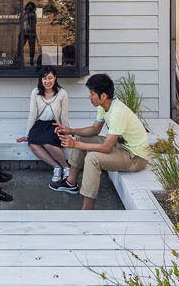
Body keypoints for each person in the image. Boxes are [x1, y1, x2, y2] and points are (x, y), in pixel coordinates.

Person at [55, 72, 151, 209]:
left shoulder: (117, 112)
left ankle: (87, 209)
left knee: (92, 158)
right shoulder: (104, 106)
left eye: (92, 94)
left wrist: (75, 144)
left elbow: (106, 147)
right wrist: (71, 131)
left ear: (103, 95)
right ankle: (70, 183)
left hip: (135, 157)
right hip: (120, 147)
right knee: (82, 137)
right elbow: (95, 129)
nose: (89, 97)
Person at [16, 66, 70, 186]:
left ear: (55, 78)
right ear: (41, 79)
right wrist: (27, 134)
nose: (47, 81)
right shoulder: (35, 92)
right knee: (33, 142)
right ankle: (56, 167)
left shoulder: (62, 93)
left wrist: (67, 133)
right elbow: (32, 114)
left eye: (50, 78)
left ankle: (66, 167)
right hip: (40, 124)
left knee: (46, 141)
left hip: (55, 124)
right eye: (44, 78)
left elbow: (64, 116)